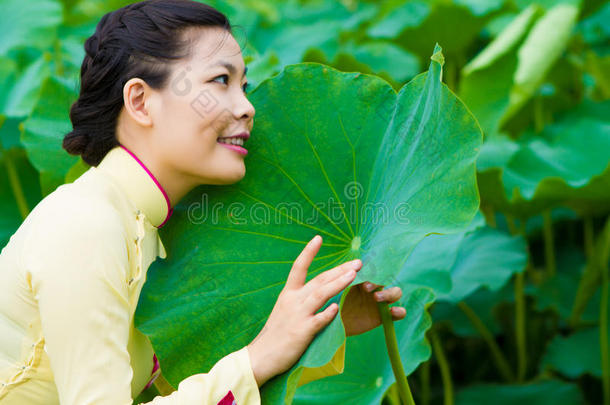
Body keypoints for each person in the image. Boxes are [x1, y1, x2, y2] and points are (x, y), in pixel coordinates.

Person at [0, 0, 406, 403]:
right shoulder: (85, 225)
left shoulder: (150, 229)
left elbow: (181, 383)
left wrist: (324, 327)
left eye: (244, 86)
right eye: (219, 82)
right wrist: (258, 356)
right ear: (140, 101)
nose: (247, 108)